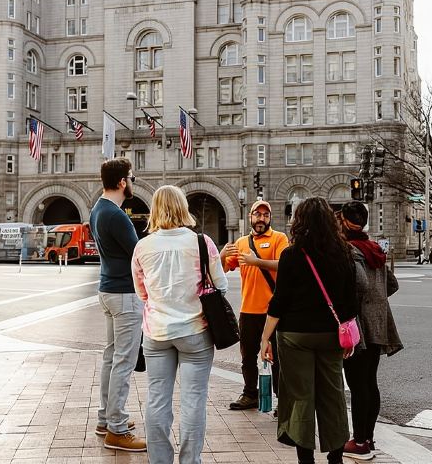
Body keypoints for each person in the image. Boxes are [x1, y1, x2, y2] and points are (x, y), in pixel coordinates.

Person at [132, 185, 228, 464]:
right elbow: (220, 285)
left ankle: (159, 460)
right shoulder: (201, 242)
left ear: (155, 210)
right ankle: (190, 460)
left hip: (157, 332)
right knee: (194, 400)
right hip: (195, 331)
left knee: (157, 399)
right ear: (182, 207)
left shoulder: (143, 246)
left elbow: (141, 292)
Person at [261, 197, 358, 464]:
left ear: (299, 221)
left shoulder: (291, 255)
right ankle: (335, 457)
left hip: (295, 335)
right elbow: (351, 300)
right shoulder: (344, 253)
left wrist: (265, 337)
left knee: (300, 396)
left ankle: (306, 459)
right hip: (331, 334)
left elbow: (279, 301)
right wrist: (348, 335)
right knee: (333, 395)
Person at [337, 202, 403, 460]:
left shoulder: (348, 250)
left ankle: (360, 441)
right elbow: (392, 285)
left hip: (358, 325)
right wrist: (377, 301)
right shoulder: (374, 248)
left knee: (357, 384)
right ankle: (369, 437)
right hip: (379, 323)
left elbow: (359, 285)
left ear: (344, 222)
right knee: (369, 382)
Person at [88, 158, 146, 452]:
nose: (132, 182)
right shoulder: (117, 215)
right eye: (131, 178)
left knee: (112, 358)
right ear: (122, 182)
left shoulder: (98, 209)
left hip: (108, 289)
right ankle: (117, 429)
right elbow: (138, 255)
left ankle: (106, 419)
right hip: (125, 294)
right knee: (123, 360)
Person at [220, 200, 289, 411]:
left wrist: (256, 262)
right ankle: (250, 394)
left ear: (270, 218)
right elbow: (223, 270)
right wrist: (222, 255)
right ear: (250, 217)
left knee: (278, 358)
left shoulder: (279, 238)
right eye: (257, 214)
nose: (261, 219)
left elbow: (284, 265)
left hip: (274, 312)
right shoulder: (242, 242)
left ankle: (282, 400)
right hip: (248, 310)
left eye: (265, 215)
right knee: (247, 357)